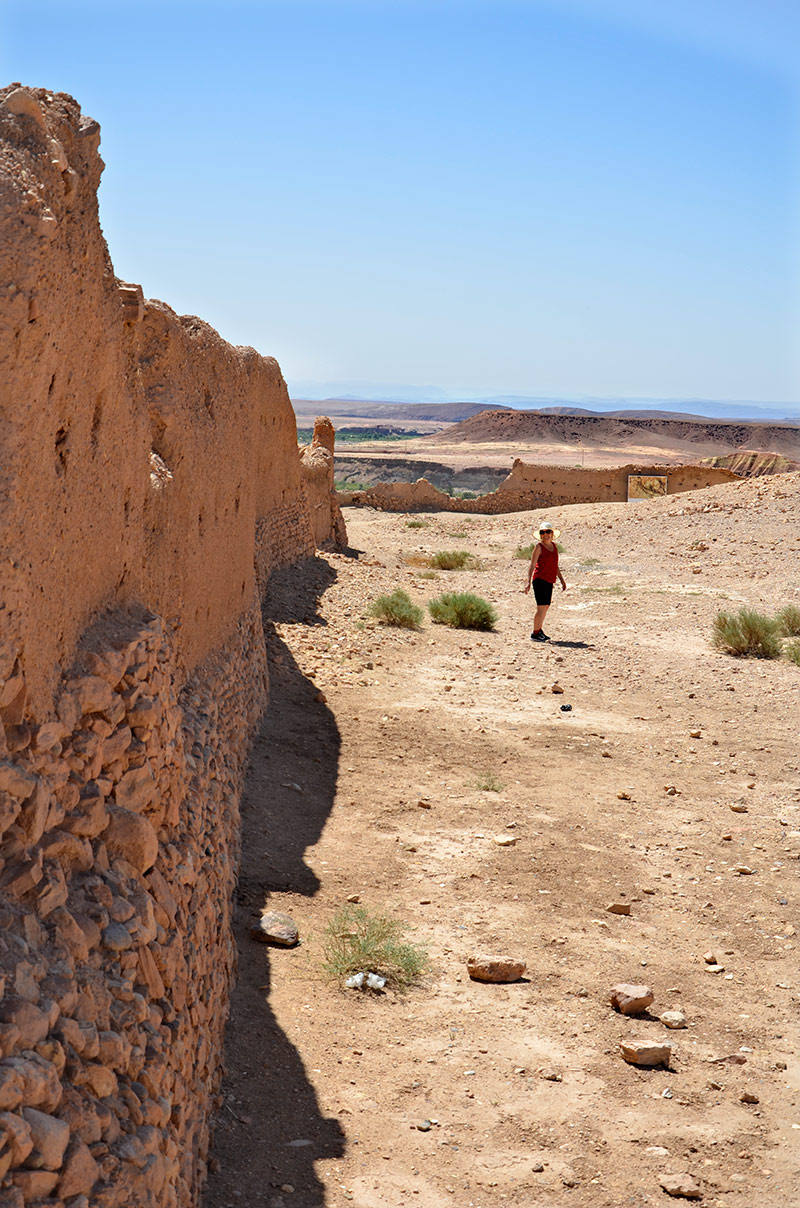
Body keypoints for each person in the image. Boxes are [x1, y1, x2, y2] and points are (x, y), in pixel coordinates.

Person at [523, 524, 566, 641]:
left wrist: (562, 580)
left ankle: (539, 629)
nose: (545, 535)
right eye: (542, 532)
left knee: (546, 606)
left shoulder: (554, 547)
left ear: (552, 533)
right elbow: (532, 566)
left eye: (548, 532)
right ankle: (535, 633)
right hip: (540, 580)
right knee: (541, 607)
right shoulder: (539, 547)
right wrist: (528, 582)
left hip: (549, 580)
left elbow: (555, 565)